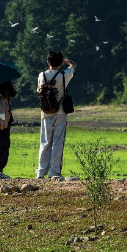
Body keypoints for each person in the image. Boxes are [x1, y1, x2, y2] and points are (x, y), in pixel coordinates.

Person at [36, 51, 77, 180]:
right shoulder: (64, 75)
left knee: (45, 142)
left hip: (46, 113)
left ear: (48, 62)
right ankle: (54, 172)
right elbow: (74, 65)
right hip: (60, 113)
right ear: (60, 63)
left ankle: (41, 172)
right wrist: (67, 62)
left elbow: (39, 90)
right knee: (58, 142)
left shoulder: (41, 75)